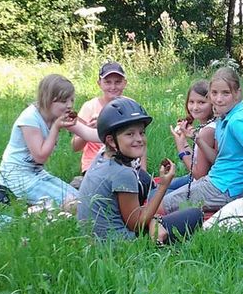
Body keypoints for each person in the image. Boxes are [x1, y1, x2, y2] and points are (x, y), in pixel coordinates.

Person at [77, 97, 203, 243]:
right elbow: (136, 224)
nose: (139, 139)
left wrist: (153, 219)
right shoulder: (123, 173)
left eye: (141, 132)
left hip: (94, 238)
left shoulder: (102, 157)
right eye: (130, 134)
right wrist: (163, 186)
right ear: (112, 140)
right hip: (120, 245)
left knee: (143, 179)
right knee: (194, 214)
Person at [160, 67, 243, 214]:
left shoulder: (237, 121)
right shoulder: (224, 116)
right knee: (163, 198)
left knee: (157, 207)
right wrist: (197, 138)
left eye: (225, 93)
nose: (219, 99)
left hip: (223, 189)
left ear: (237, 93)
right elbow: (217, 158)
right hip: (216, 181)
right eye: (214, 93)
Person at [0, 74, 101, 210]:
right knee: (73, 204)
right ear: (47, 99)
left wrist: (116, 133)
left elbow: (89, 134)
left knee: (79, 198)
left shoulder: (58, 114)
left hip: (36, 173)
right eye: (64, 101)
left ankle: (38, 207)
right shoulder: (30, 119)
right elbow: (40, 156)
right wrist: (56, 127)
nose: (69, 105)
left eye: (72, 100)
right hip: (17, 176)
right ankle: (31, 212)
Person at [71, 61, 131, 175]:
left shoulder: (130, 105)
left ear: (125, 83)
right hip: (94, 164)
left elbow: (140, 141)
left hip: (125, 161)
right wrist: (87, 131)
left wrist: (143, 172)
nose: (113, 87)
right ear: (99, 83)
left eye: (117, 82)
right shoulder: (89, 107)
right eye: (107, 82)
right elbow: (75, 146)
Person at [164, 79, 217, 193]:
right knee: (162, 186)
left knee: (154, 195)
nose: (195, 107)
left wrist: (181, 149)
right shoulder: (205, 126)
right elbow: (198, 159)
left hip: (204, 185)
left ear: (212, 103)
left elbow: (199, 175)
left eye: (201, 102)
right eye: (191, 102)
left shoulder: (208, 131)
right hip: (198, 179)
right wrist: (183, 141)